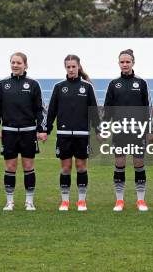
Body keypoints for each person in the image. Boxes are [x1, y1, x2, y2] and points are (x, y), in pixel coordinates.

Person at [0, 52, 47, 211]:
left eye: (18, 63)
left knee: (28, 166)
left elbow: (40, 110)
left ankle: (29, 201)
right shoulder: (2, 84)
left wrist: (41, 129)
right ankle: (10, 202)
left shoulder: (33, 84)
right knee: (10, 167)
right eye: (13, 62)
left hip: (28, 132)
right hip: (9, 132)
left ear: (25, 65)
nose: (15, 65)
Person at [46, 55, 100, 211]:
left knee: (81, 166)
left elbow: (94, 111)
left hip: (82, 134)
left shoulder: (87, 87)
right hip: (63, 135)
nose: (71, 69)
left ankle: (81, 201)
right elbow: (51, 112)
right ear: (65, 68)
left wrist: (98, 130)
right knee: (66, 167)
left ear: (78, 67)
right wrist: (45, 130)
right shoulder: (59, 87)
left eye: (73, 66)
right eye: (68, 67)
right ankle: (65, 201)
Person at [103, 49, 153, 212]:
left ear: (133, 63)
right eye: (122, 62)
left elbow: (148, 108)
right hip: (120, 130)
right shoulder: (113, 84)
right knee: (120, 163)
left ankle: (140, 200)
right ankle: (119, 200)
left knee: (139, 163)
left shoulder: (142, 83)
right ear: (119, 63)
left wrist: (150, 128)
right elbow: (107, 109)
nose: (125, 64)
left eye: (128, 62)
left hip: (138, 130)